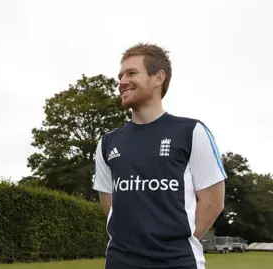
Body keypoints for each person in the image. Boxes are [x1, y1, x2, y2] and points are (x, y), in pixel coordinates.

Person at [92, 43, 226, 269]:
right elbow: (109, 202)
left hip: (178, 262)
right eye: (120, 75)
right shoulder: (107, 143)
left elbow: (213, 201)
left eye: (132, 73)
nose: (122, 81)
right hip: (120, 262)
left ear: (158, 78)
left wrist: (174, 241)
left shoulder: (191, 132)